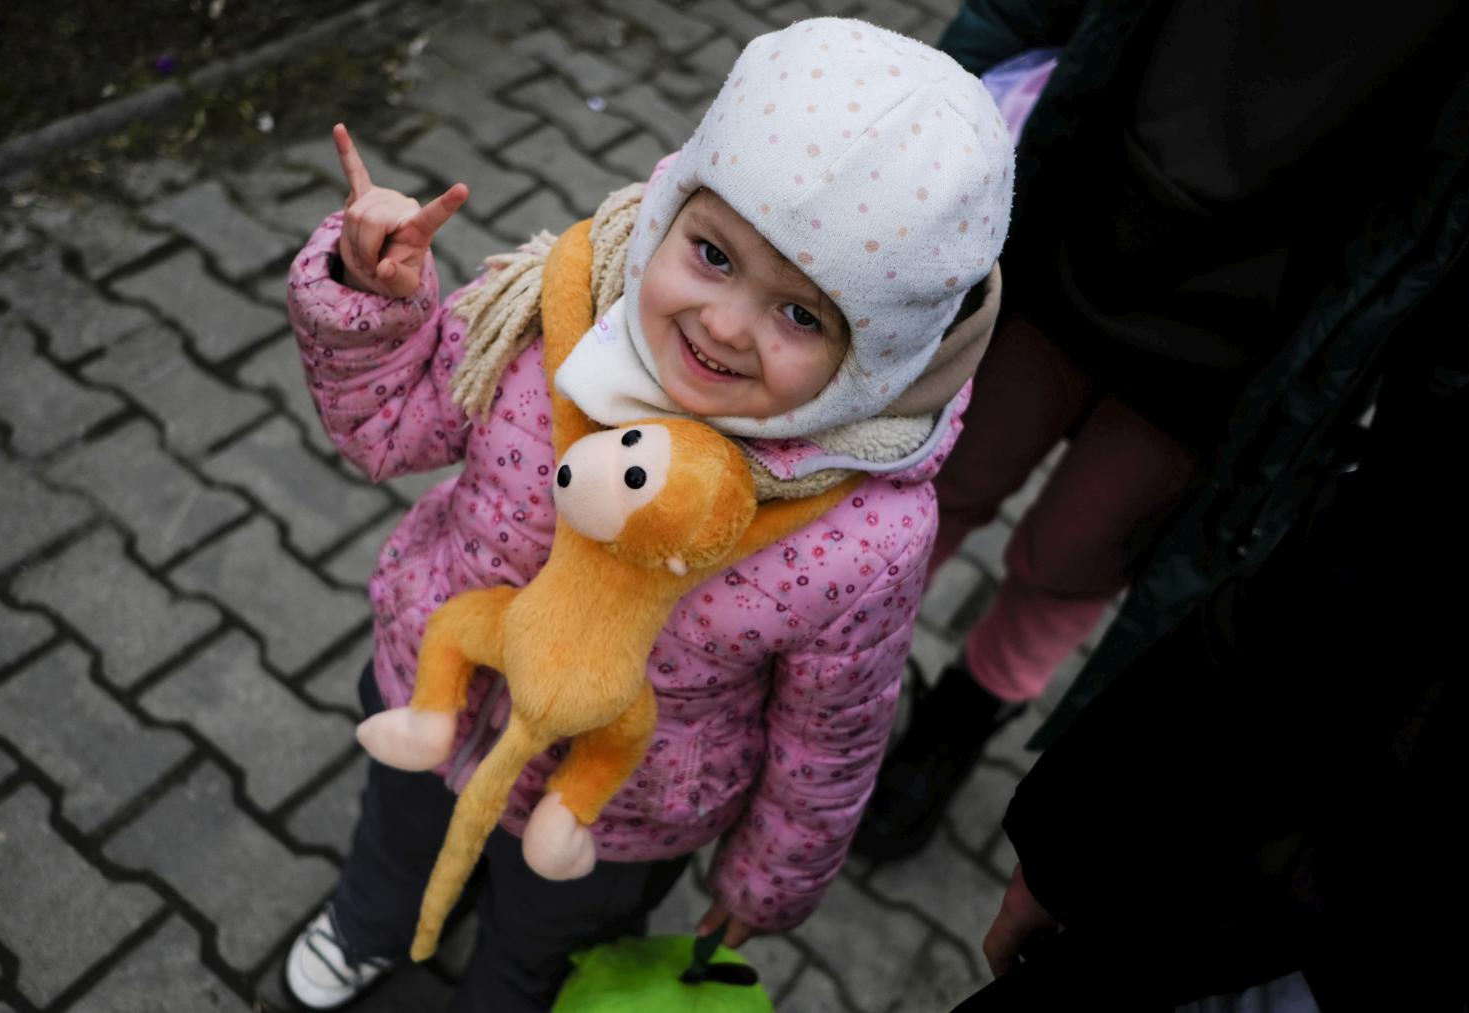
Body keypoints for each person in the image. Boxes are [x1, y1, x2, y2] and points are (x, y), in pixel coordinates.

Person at [279, 18, 1016, 1011]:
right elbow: (389, 426)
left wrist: (766, 880)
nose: (723, 322)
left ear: (877, 358)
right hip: (434, 691)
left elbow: (829, 734)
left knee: (540, 950)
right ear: (673, 208)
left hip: (614, 809)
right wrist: (368, 299)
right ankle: (368, 923)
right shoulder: (560, 308)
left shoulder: (863, 529)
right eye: (712, 254)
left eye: (801, 315)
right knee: (393, 834)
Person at [853, 0, 1469, 861]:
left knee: (1078, 554)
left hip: (1266, 337)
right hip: (1082, 207)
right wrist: (920, 96)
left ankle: (962, 715)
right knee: (939, 476)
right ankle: (836, 678)